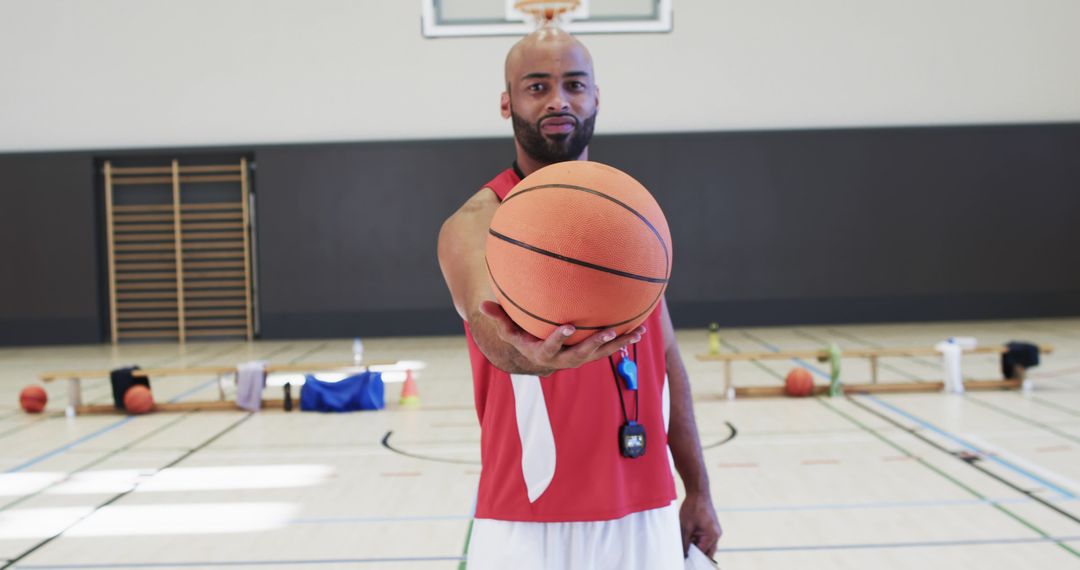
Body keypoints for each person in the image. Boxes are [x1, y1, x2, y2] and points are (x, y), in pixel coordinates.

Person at [437, 27, 721, 569]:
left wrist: (698, 489)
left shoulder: (627, 220)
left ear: (596, 97)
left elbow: (666, 362)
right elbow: (488, 327)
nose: (558, 100)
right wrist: (530, 357)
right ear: (507, 102)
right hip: (531, 518)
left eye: (574, 84)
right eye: (537, 86)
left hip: (648, 508)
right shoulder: (479, 222)